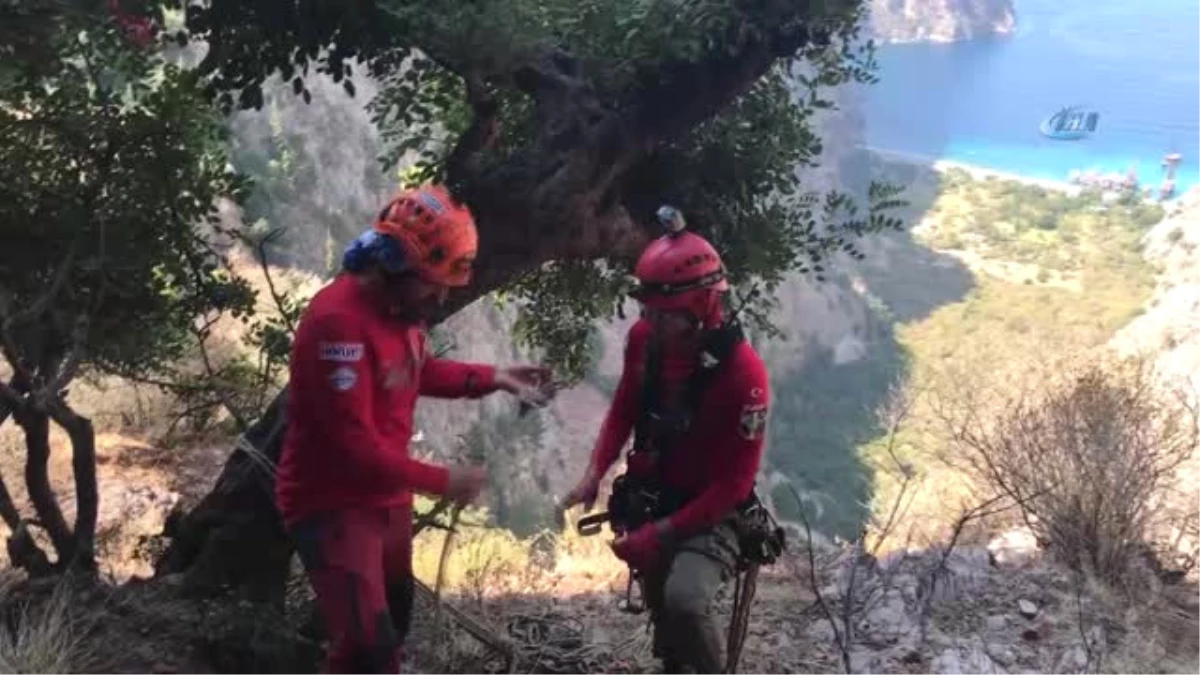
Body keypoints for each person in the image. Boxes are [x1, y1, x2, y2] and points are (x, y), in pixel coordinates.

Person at [276, 184, 552, 674]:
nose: (441, 295)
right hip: (332, 504)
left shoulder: (401, 312)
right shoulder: (337, 322)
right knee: (368, 647)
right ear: (395, 266)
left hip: (386, 500)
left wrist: (496, 378)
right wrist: (443, 481)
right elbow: (351, 446)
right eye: (432, 281)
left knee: (392, 630)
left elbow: (416, 371)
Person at [562, 207, 771, 675]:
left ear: (701, 307)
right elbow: (625, 406)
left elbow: (735, 484)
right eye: (647, 310)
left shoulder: (744, 376)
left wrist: (662, 533)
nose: (650, 321)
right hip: (656, 497)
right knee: (665, 616)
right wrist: (594, 472)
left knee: (686, 601)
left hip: (713, 511)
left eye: (664, 313)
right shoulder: (645, 340)